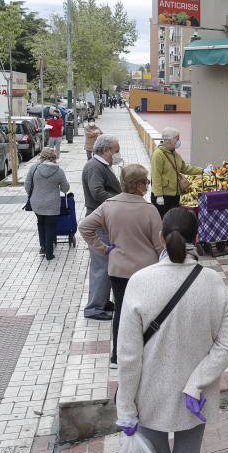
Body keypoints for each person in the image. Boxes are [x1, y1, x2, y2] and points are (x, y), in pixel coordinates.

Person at [116, 208, 228, 453]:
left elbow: (128, 355)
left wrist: (125, 407)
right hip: (194, 398)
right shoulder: (213, 283)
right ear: (197, 236)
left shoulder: (139, 282)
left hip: (148, 396)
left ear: (161, 237)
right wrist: (196, 382)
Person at [79, 164, 163, 367]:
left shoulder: (108, 205)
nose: (147, 185)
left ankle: (117, 356)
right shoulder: (149, 209)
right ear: (138, 185)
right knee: (148, 313)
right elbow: (160, 244)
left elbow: (84, 227)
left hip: (118, 269)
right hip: (147, 271)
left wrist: (105, 249)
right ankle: (147, 354)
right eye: (146, 181)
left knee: (122, 312)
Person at [81, 134, 122, 320]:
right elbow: (97, 192)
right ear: (105, 150)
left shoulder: (100, 166)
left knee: (106, 263)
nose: (117, 154)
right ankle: (94, 308)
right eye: (115, 150)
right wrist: (119, 200)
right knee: (101, 265)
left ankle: (103, 301)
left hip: (104, 220)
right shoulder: (94, 167)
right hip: (98, 222)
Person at [24, 148, 70, 261]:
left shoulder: (34, 168)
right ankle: (49, 253)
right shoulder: (59, 171)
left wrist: (34, 194)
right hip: (52, 203)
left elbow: (27, 185)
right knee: (51, 225)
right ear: (53, 157)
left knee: (40, 223)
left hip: (37, 203)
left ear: (42, 156)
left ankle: (43, 247)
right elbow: (65, 188)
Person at [150, 127, 204, 218]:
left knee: (173, 220)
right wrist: (159, 195)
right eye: (177, 139)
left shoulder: (174, 154)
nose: (179, 141)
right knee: (163, 221)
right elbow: (156, 176)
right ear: (169, 140)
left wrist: (202, 170)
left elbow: (185, 168)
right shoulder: (158, 154)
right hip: (163, 196)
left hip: (175, 195)